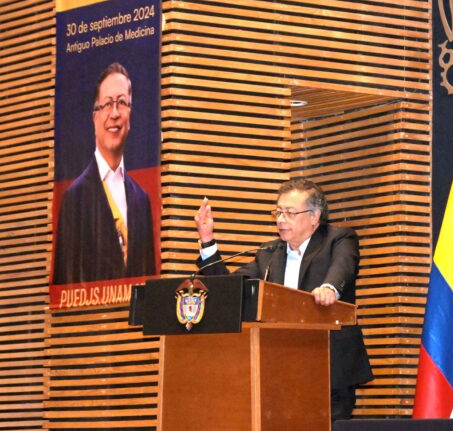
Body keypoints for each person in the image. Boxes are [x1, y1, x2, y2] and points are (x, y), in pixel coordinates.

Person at [195, 178, 373, 425]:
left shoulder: (339, 238)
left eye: (289, 213)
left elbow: (343, 267)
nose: (280, 219)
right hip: (279, 369)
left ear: (314, 216)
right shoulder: (269, 253)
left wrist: (329, 288)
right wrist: (207, 241)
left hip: (330, 369)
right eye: (278, 212)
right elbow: (228, 290)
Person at [53, 62, 155, 284]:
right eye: (107, 104)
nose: (115, 113)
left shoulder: (141, 200)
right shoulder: (73, 199)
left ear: (131, 114)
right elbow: (64, 285)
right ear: (94, 116)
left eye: (122, 103)